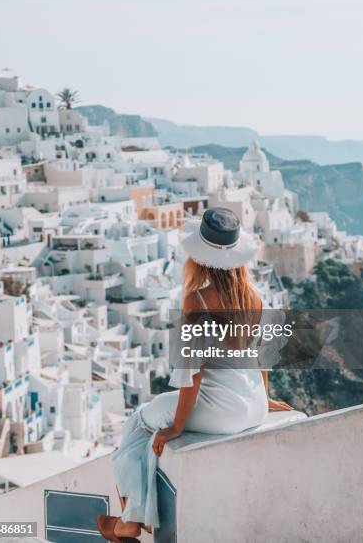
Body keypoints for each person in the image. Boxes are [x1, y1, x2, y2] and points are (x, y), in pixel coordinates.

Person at [97, 207, 292, 542]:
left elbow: (193, 375)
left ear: (197, 256)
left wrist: (176, 427)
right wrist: (264, 399)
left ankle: (130, 521)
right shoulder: (255, 296)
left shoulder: (197, 299)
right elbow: (264, 358)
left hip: (219, 412)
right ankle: (133, 516)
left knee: (140, 421)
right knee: (154, 416)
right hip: (253, 407)